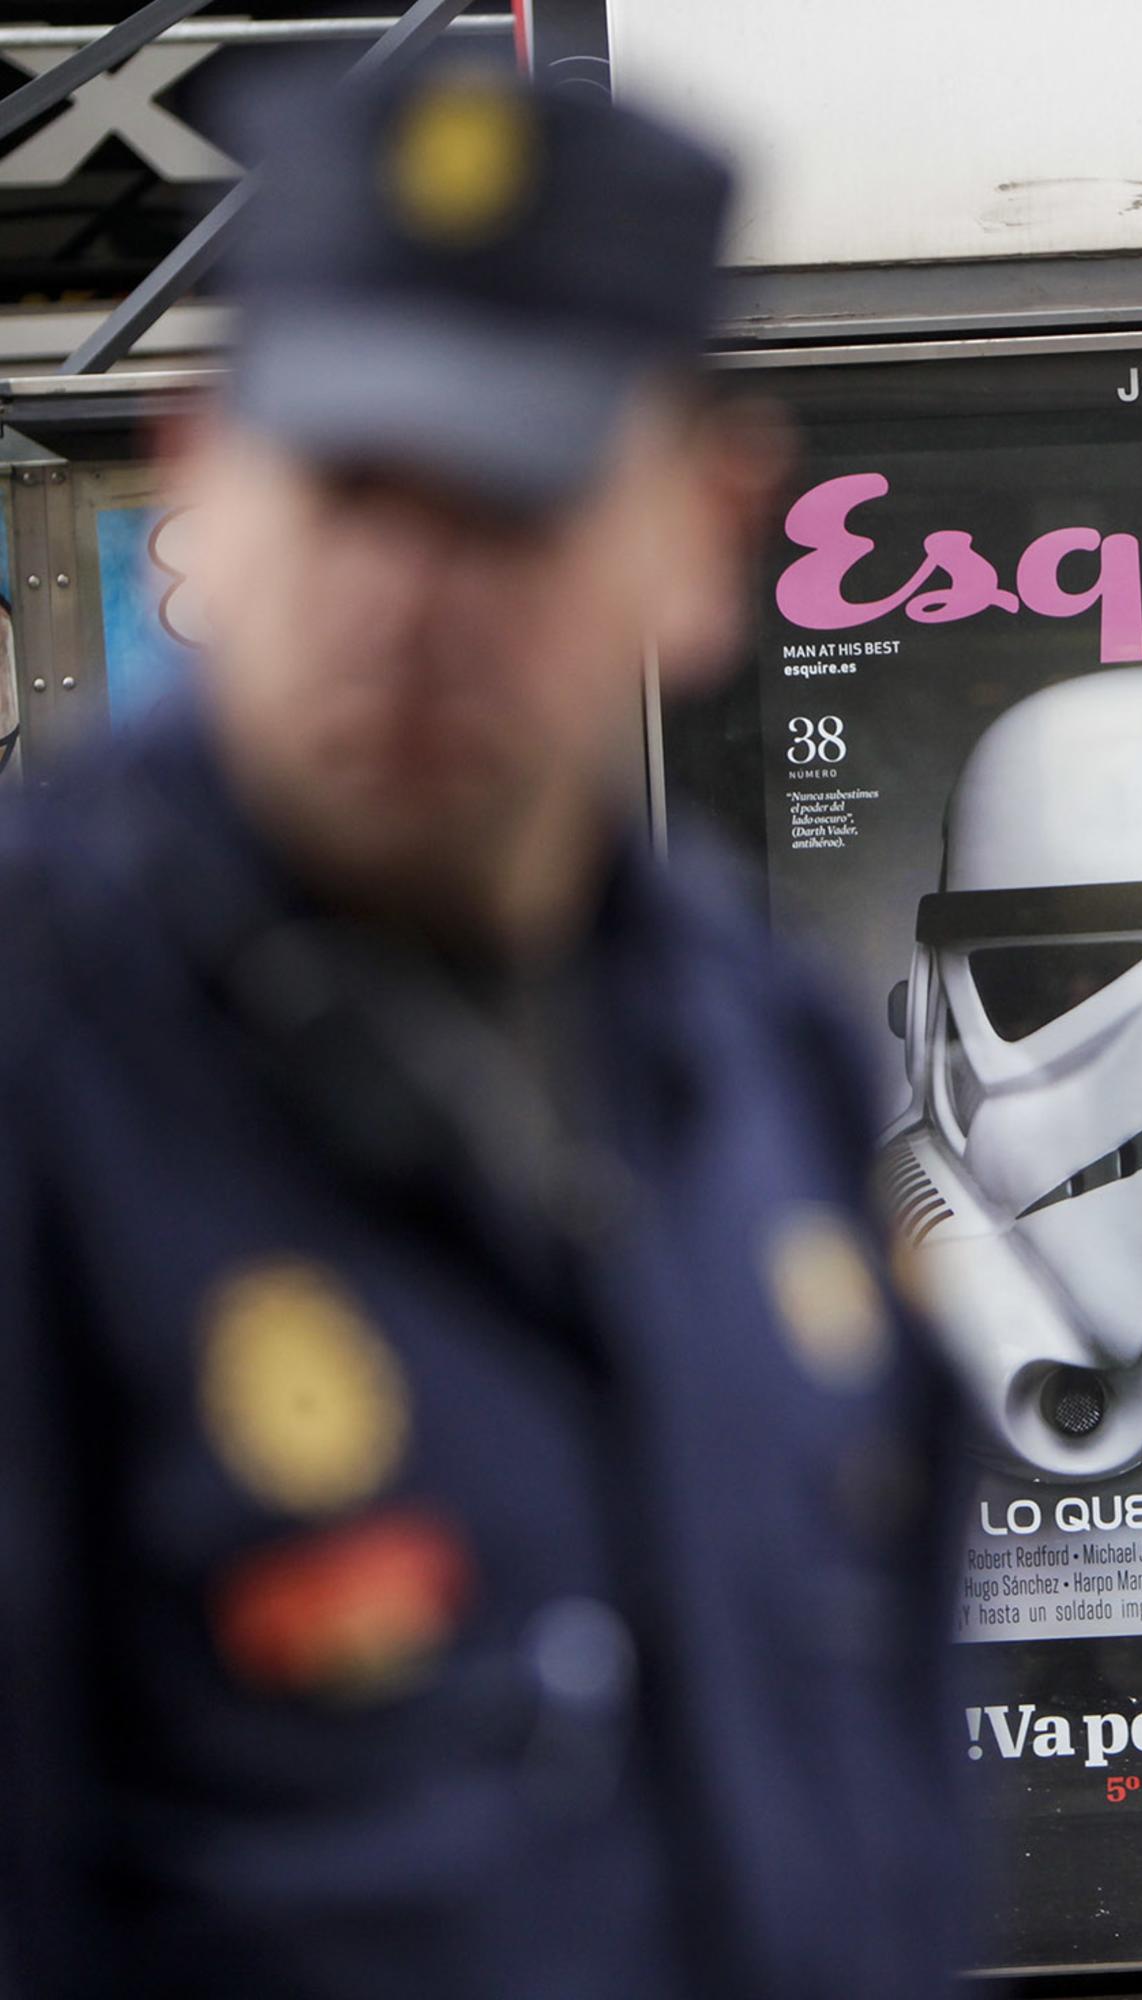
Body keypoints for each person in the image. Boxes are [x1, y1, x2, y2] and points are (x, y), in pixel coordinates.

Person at [0, 62, 964, 2000]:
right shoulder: (50, 1050)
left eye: (507, 500)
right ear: (208, 478)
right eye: (350, 484)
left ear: (697, 534)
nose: (408, 596)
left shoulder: (754, 1047)